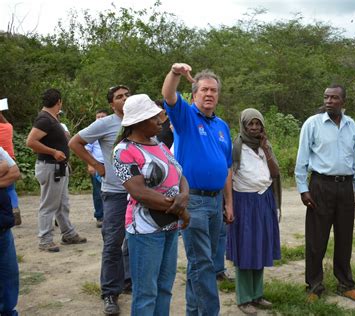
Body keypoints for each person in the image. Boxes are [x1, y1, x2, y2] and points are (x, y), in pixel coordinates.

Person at [162, 63, 234, 316]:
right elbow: (169, 96)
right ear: (194, 95)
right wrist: (175, 73)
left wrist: (228, 203)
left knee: (205, 263)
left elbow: (226, 169)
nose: (209, 94)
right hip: (193, 202)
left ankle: (195, 312)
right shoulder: (185, 118)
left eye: (213, 90)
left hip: (215, 203)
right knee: (202, 263)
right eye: (204, 89)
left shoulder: (222, 126)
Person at [113, 94, 191, 315]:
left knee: (164, 288)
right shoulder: (123, 151)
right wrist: (181, 210)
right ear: (138, 122)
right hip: (145, 230)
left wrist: (184, 194)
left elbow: (178, 172)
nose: (160, 121)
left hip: (169, 226)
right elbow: (139, 192)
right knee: (146, 293)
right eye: (154, 118)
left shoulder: (158, 143)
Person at [295, 84, 355, 303]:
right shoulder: (312, 124)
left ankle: (345, 284)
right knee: (317, 239)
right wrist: (303, 190)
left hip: (345, 187)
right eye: (326, 97)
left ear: (343, 101)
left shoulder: (351, 125)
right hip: (320, 185)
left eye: (334, 98)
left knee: (345, 238)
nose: (329, 101)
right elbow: (302, 160)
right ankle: (314, 286)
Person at [69, 85, 132, 315]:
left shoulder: (139, 120)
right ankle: (109, 293)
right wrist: (97, 166)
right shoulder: (106, 124)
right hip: (115, 193)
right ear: (111, 104)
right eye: (119, 97)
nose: (125, 99)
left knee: (134, 240)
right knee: (113, 242)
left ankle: (127, 280)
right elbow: (75, 142)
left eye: (127, 95)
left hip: (139, 194)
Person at [226, 108, 281, 315]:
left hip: (264, 200)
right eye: (251, 124)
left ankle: (257, 295)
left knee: (260, 246)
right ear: (243, 125)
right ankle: (244, 298)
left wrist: (266, 150)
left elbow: (275, 173)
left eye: (258, 124)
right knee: (245, 248)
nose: (255, 128)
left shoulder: (264, 146)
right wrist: (228, 205)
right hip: (244, 201)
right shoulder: (235, 147)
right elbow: (229, 176)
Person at [26, 88, 87, 252]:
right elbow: (31, 142)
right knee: (48, 205)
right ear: (59, 101)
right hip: (51, 167)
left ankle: (68, 233)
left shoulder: (51, 118)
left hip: (57, 167)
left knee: (62, 204)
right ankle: (45, 240)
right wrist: (53, 152)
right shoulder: (45, 120)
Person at [0, 147, 21, 316]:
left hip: (2, 227)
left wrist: (5, 166)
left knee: (9, 278)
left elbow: (13, 171)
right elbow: (4, 166)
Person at [84, 109, 108, 228]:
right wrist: (90, 165)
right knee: (98, 193)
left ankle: (109, 215)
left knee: (111, 192)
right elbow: (87, 150)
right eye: (98, 117)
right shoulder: (92, 133)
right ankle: (100, 216)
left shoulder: (111, 130)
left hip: (110, 166)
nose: (100, 119)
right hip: (97, 166)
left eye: (102, 116)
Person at [0, 111, 21, 226]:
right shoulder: (8, 127)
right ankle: (14, 208)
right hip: (10, 160)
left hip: (0, 161)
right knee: (10, 189)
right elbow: (6, 122)